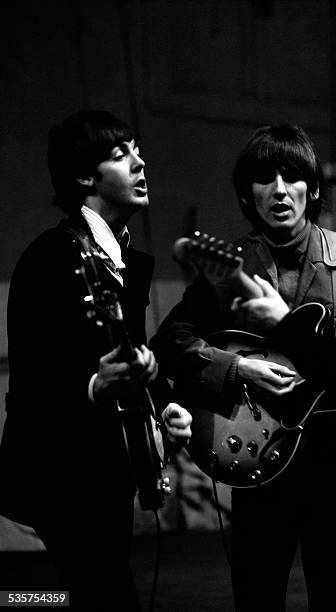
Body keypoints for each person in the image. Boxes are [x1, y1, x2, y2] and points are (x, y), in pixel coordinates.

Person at [150, 124, 336, 611]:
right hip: (258, 457)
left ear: (313, 188)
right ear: (246, 195)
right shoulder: (230, 265)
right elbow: (169, 341)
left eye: (292, 176)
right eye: (264, 179)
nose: (279, 190)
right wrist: (237, 369)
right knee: (256, 597)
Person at [0, 110, 192, 611]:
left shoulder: (122, 259)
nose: (140, 161)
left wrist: (164, 404)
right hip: (61, 473)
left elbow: (131, 353)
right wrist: (92, 385)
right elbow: (28, 381)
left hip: (107, 470)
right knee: (95, 594)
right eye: (120, 153)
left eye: (137, 149)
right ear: (86, 177)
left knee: (93, 592)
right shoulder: (50, 257)